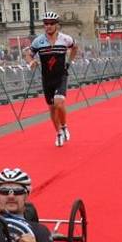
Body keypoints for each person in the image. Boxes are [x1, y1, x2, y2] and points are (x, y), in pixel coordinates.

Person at [24, 11, 78, 147]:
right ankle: (58, 133)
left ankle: (64, 126)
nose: (48, 26)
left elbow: (75, 47)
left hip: (61, 75)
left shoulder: (65, 39)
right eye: (45, 23)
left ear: (57, 25)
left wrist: (69, 62)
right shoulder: (38, 41)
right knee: (52, 108)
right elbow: (28, 54)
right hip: (47, 78)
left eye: (51, 23)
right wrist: (31, 62)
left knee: (59, 102)